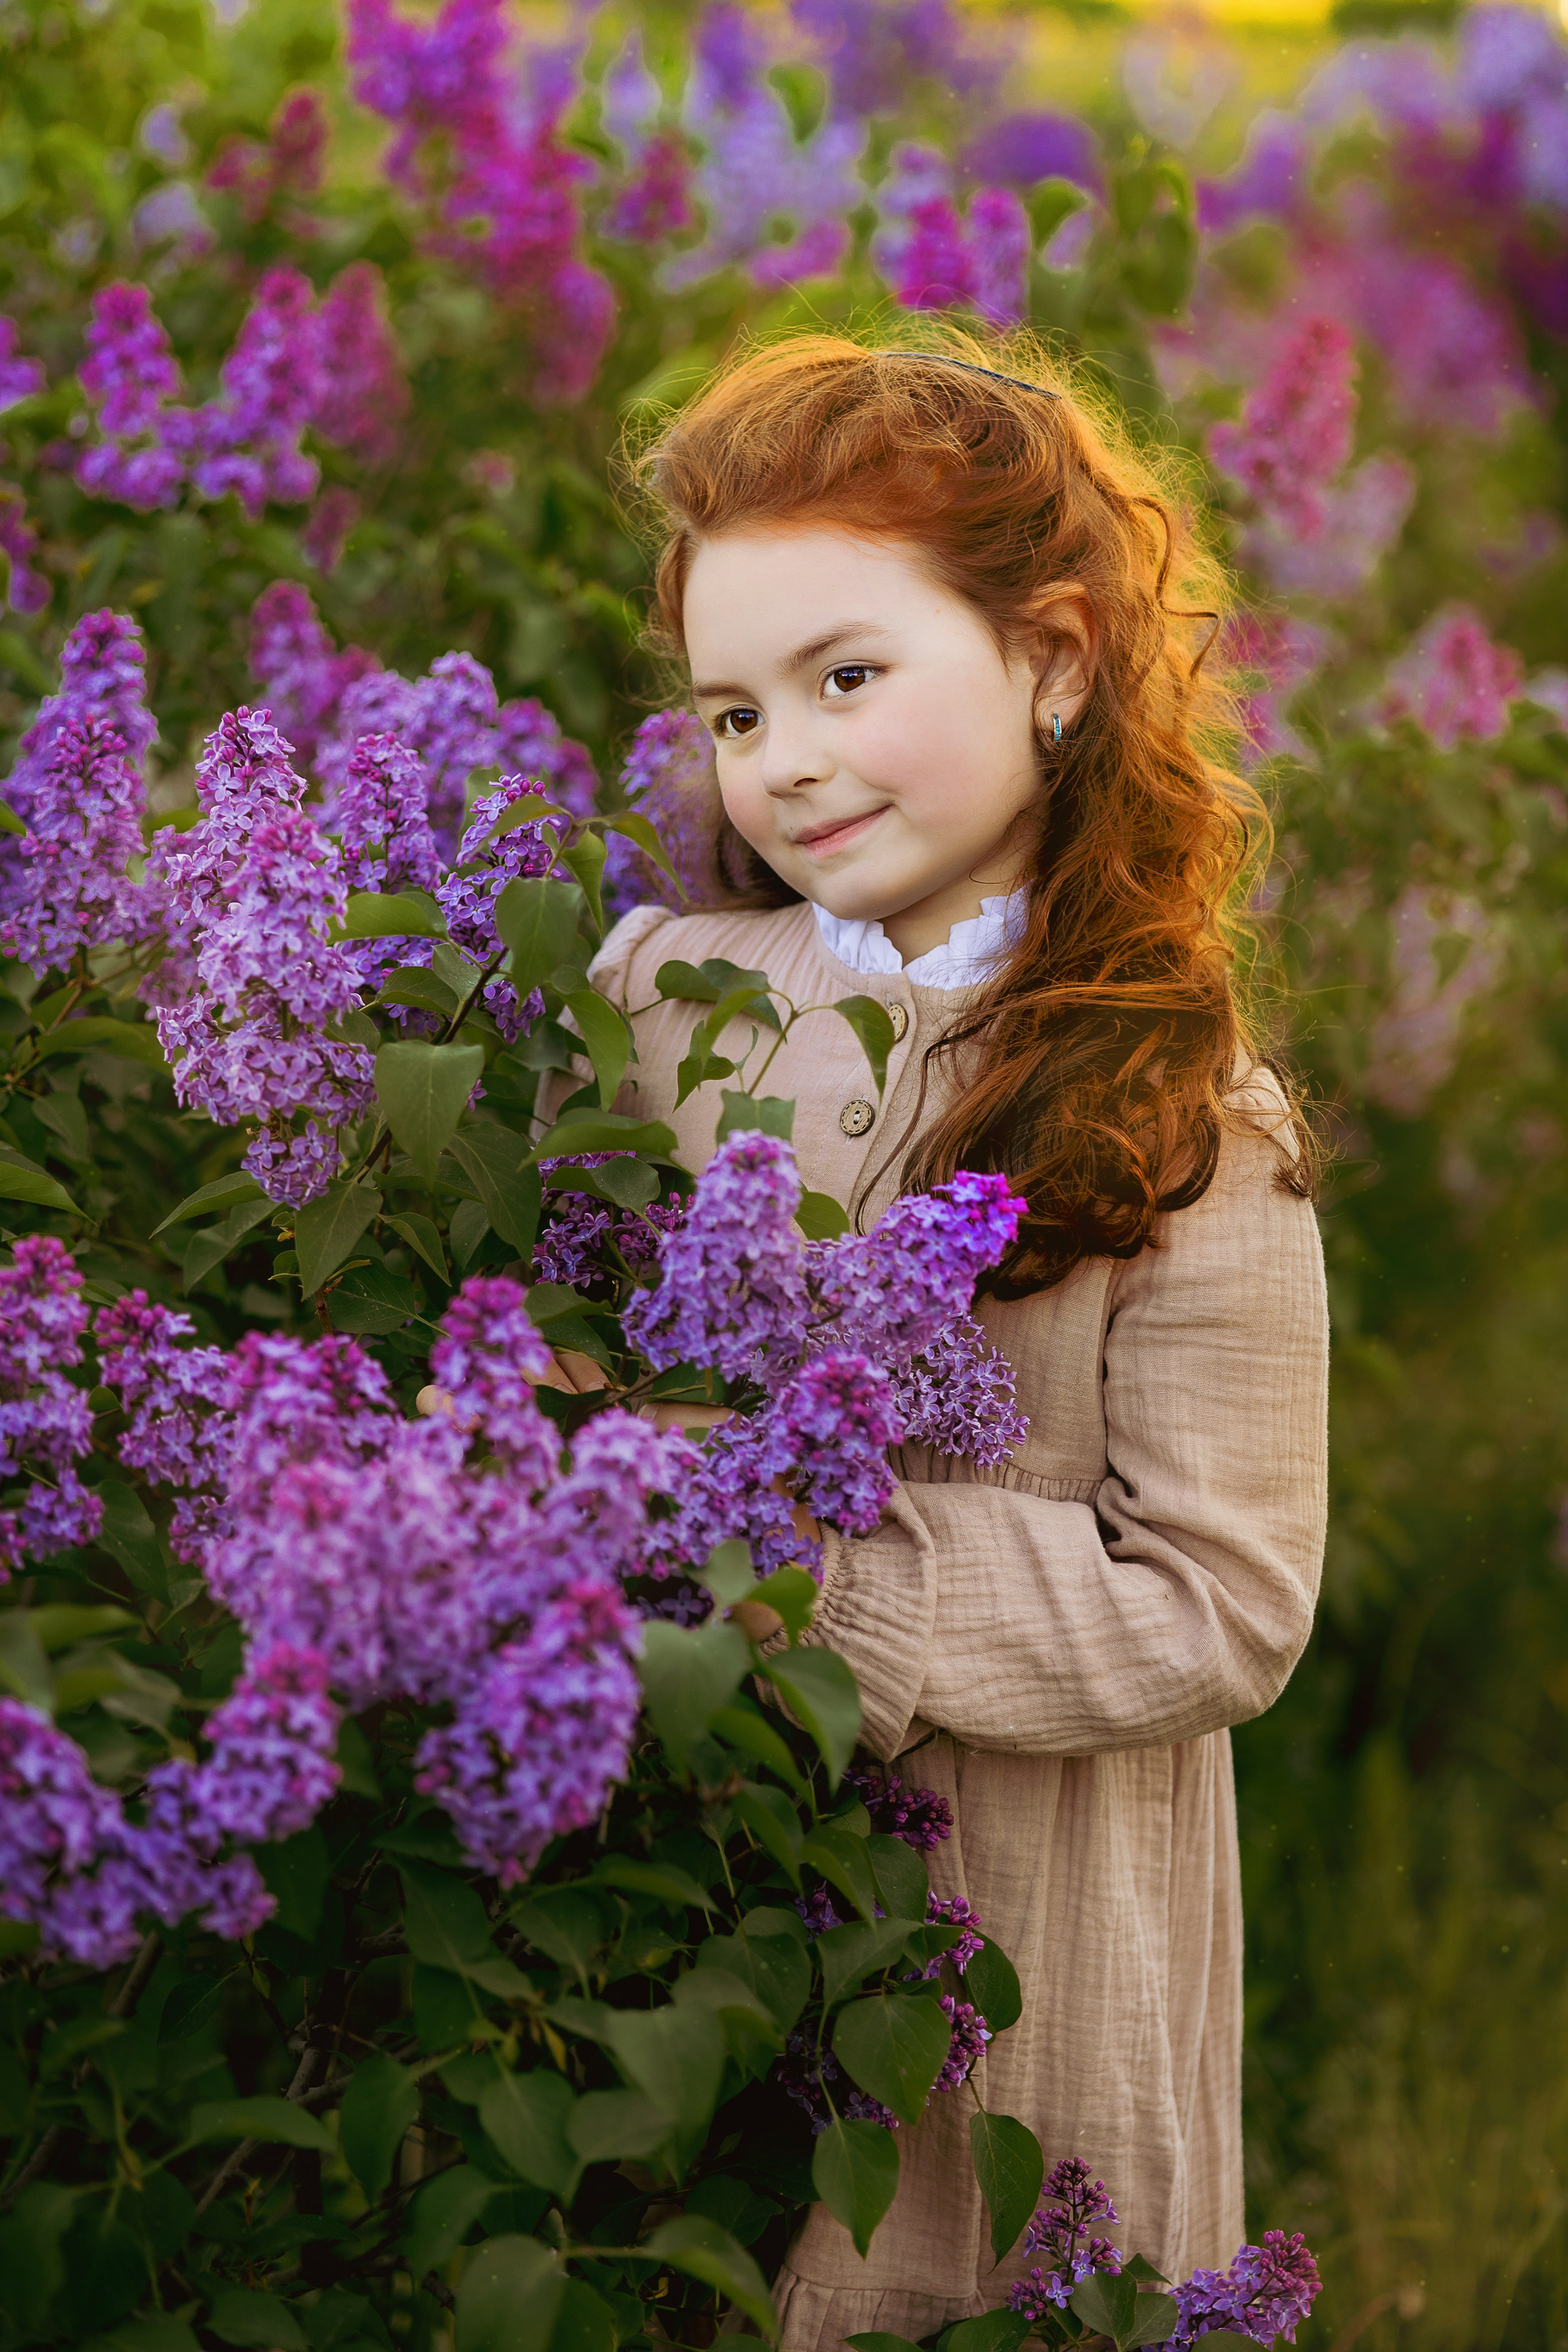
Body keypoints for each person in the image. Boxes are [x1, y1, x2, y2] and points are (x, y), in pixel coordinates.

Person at [569, 332, 1329, 2348]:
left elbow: (1223, 1602)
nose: (786, 758)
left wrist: (809, 1568)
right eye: (734, 709)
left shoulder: (1180, 1110)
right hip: (670, 1872)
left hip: (1012, 1937)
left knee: (968, 2286)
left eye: (848, 677)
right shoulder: (650, 1000)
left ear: (1058, 662)